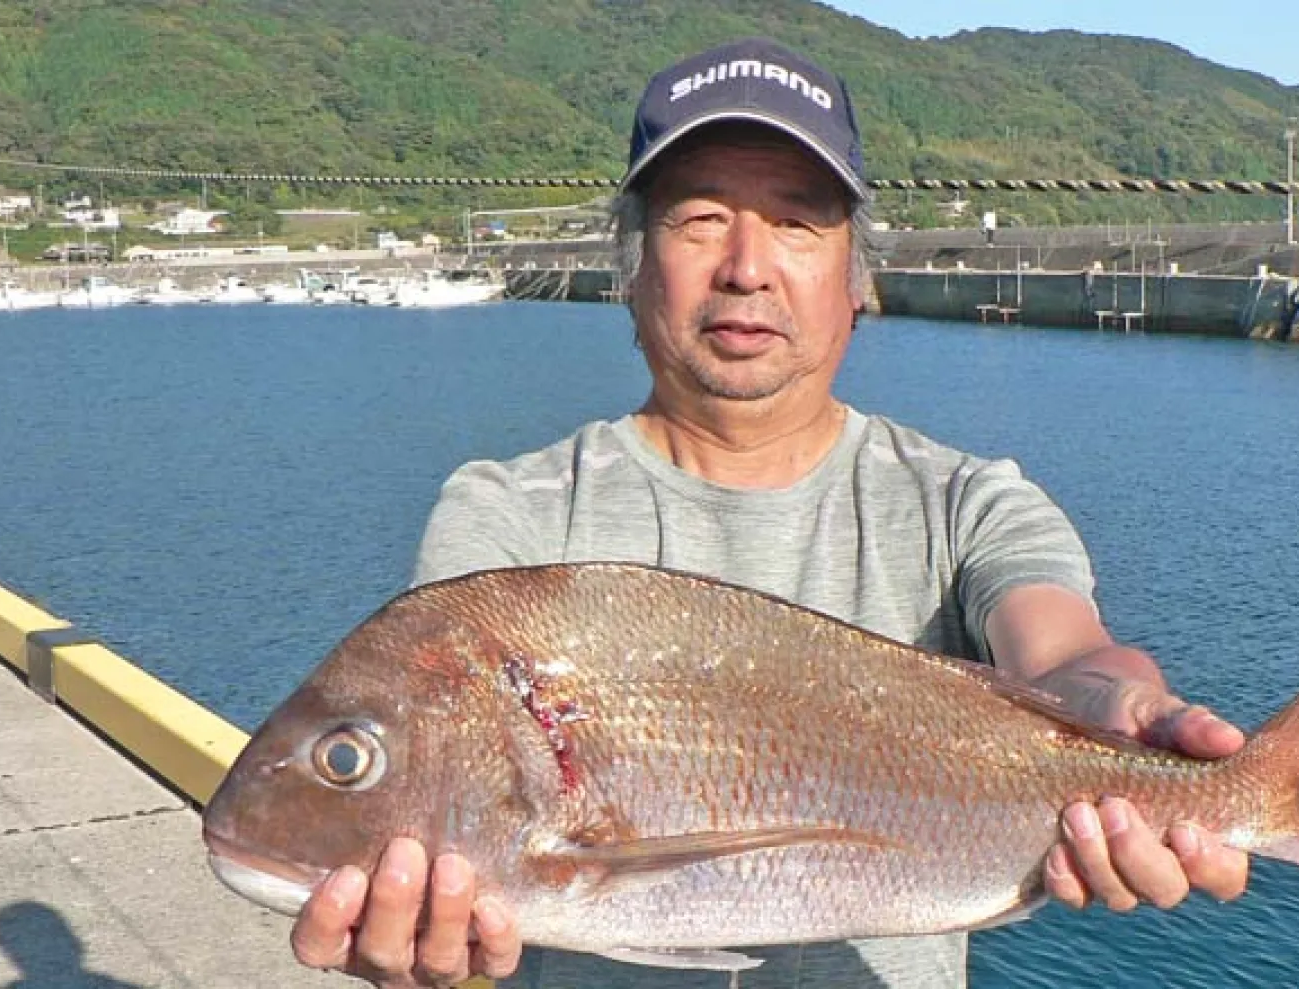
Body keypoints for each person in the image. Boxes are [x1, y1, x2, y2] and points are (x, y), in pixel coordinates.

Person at [288, 36, 1248, 989]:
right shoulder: (509, 515)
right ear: (630, 266)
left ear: (857, 279)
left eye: (796, 222)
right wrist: (422, 947)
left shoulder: (967, 500)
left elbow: (1066, 654)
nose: (745, 266)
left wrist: (1129, 718)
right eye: (699, 219)